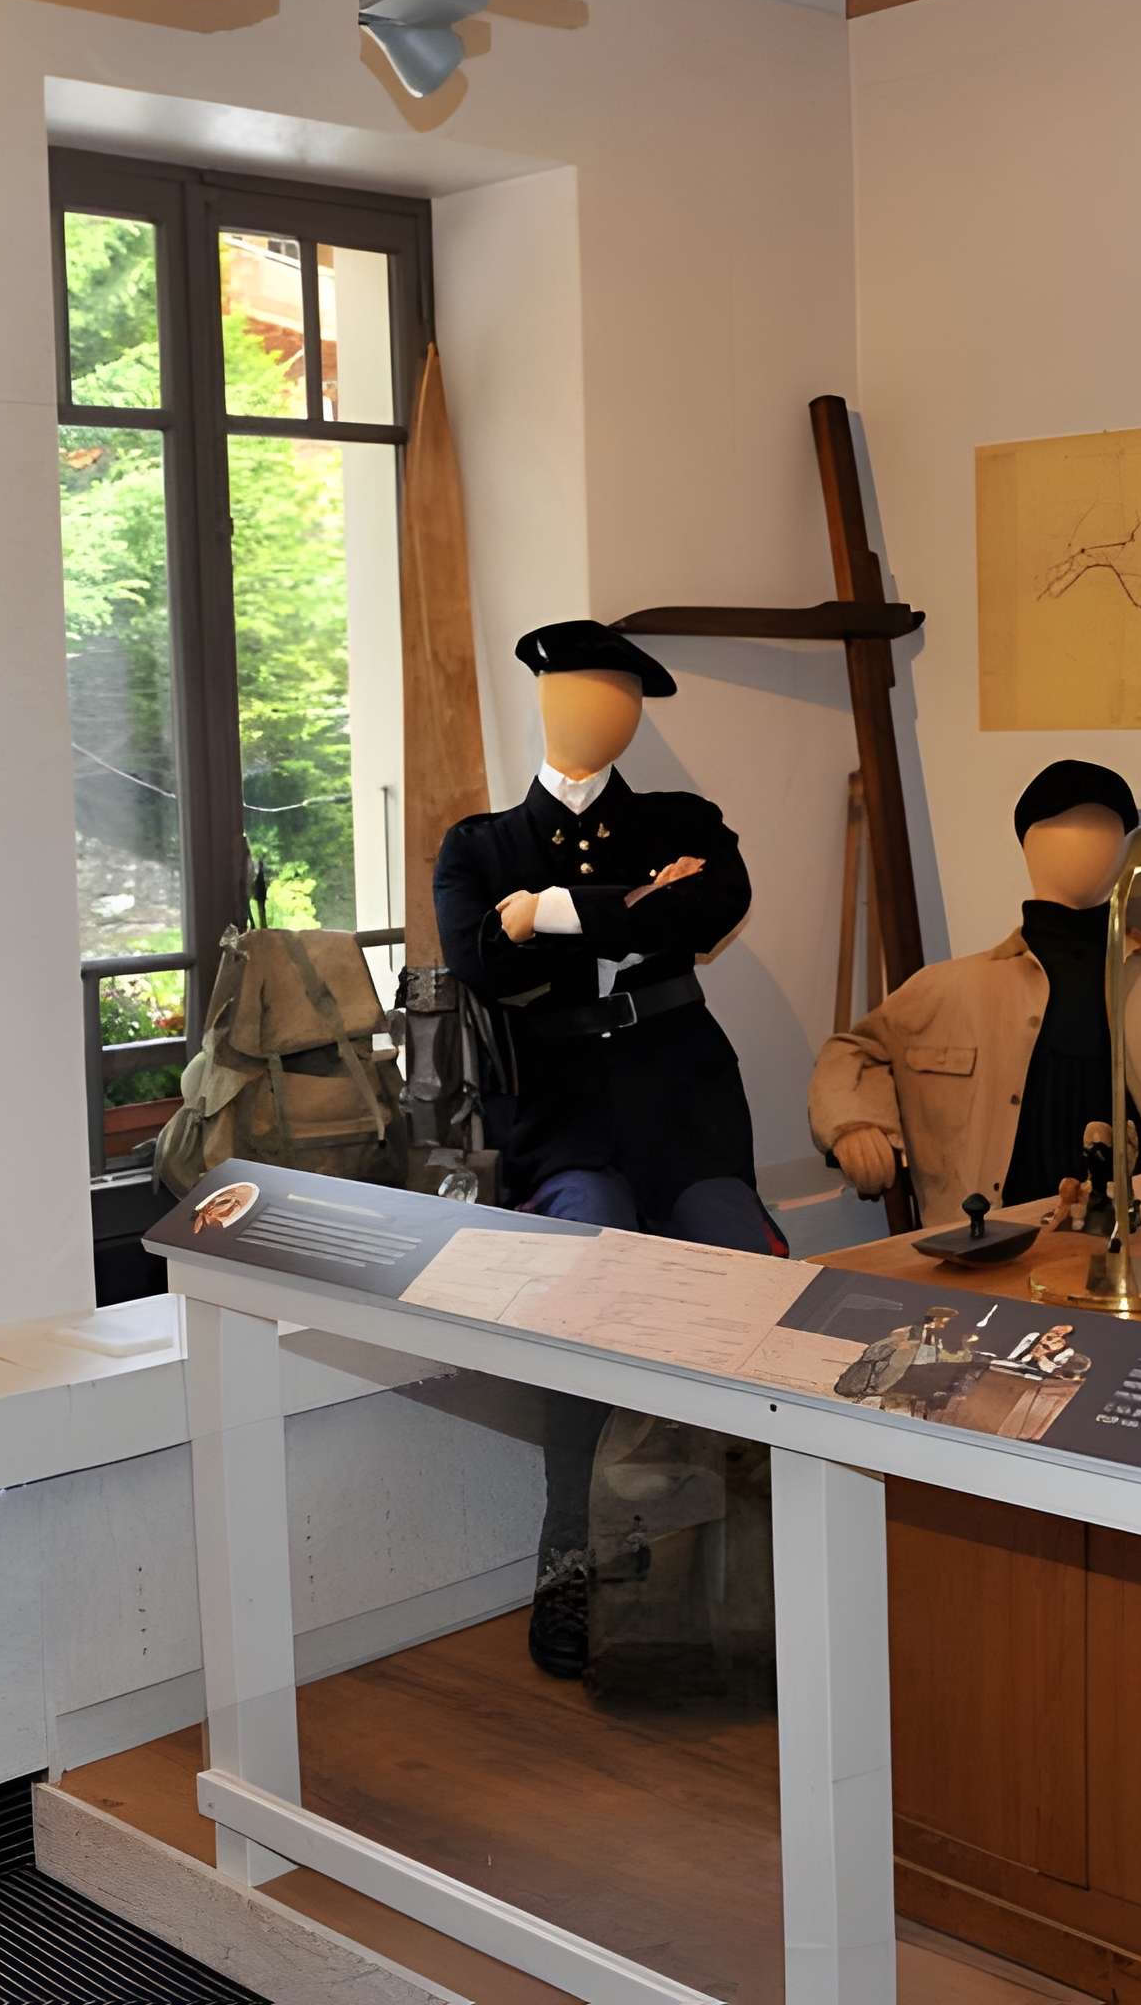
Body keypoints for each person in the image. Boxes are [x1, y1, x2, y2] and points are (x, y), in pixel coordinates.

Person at [430, 620, 766, 1681]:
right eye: (581, 690)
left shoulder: (679, 816)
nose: (602, 710)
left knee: (743, 1282)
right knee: (586, 1286)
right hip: (560, 1111)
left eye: (621, 695)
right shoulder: (477, 844)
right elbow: (479, 960)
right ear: (540, 699)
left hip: (685, 1102)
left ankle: (750, 1558)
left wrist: (550, 912)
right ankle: (572, 1558)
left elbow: (714, 904)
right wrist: (625, 910)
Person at [811, 760, 1141, 1223]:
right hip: (996, 1246)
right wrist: (855, 1125)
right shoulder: (947, 990)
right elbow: (852, 1053)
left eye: (1104, 830)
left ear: (1127, 852)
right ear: (1029, 846)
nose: (1084, 846)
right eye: (1062, 828)